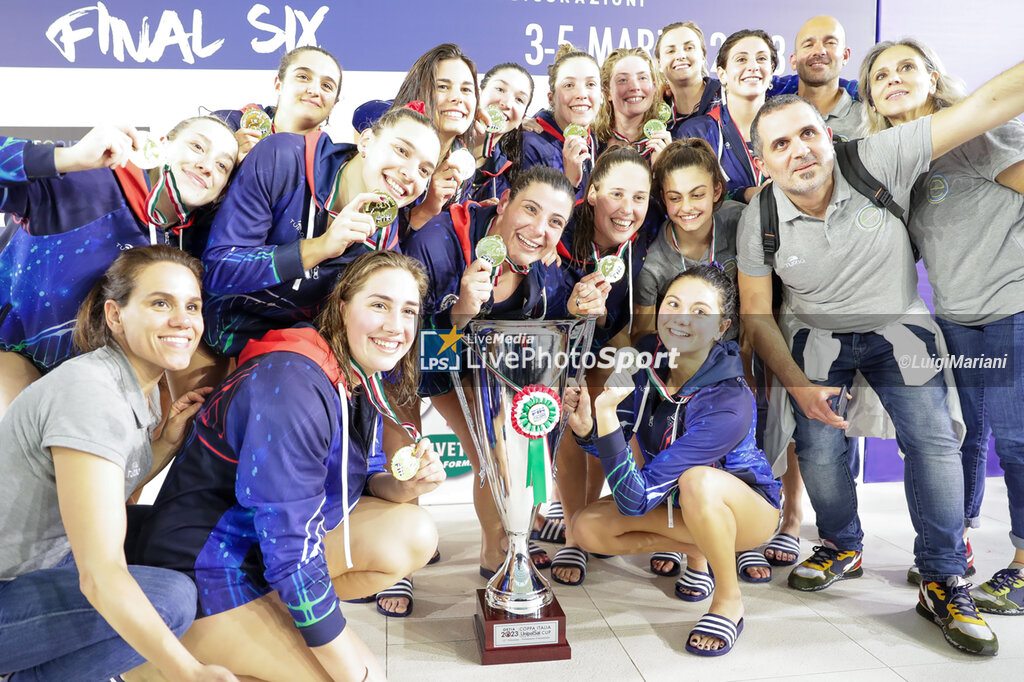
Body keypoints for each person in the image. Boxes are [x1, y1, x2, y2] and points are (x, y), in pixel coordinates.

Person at [737, 51, 1024, 654]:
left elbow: (986, 107)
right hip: (816, 335)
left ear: (831, 134)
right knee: (815, 444)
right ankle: (842, 544)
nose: (801, 152)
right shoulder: (758, 215)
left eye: (810, 134)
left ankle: (943, 578)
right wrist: (796, 385)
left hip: (901, 328)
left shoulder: (873, 157)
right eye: (781, 144)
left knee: (934, 437)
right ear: (763, 161)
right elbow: (757, 317)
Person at [132, 251, 443, 681]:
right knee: (354, 675)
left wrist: (402, 487)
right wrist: (348, 670)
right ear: (341, 307)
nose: (396, 325)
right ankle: (160, 660)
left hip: (254, 556)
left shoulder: (352, 372)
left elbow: (356, 475)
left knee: (412, 531)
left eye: (408, 311)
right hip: (201, 575)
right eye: (379, 305)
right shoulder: (293, 386)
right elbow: (292, 552)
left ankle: (269, 620)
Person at [0, 246, 236, 681]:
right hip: (8, 586)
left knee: (181, 534)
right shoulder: (91, 393)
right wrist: (190, 673)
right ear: (115, 316)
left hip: (44, 564)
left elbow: (102, 493)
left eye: (192, 306)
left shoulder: (129, 383)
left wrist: (164, 442)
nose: (182, 320)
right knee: (170, 598)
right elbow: (99, 576)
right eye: (160, 303)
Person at [862, 38, 1024, 614]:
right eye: (880, 76)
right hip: (956, 316)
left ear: (932, 77)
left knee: (1017, 441)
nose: (894, 79)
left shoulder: (975, 135)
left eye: (906, 67)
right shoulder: (898, 166)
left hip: (1013, 307)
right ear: (873, 101)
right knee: (964, 438)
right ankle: (955, 549)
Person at [565, 266, 781, 656]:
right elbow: (621, 458)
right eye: (673, 304)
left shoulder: (729, 401)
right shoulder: (648, 360)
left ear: (722, 326)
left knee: (698, 480)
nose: (682, 319)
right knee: (586, 528)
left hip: (747, 512)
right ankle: (697, 548)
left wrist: (607, 414)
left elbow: (634, 499)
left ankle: (729, 600)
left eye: (700, 312)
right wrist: (587, 430)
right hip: (674, 502)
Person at [402, 166, 592, 584]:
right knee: (416, 429)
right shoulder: (440, 241)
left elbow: (553, 322)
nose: (540, 229)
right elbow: (409, 342)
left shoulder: (544, 262)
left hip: (486, 363)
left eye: (555, 222)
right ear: (503, 203)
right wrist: (462, 310)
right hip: (417, 354)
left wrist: (579, 307)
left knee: (500, 450)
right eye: (530, 210)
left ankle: (502, 547)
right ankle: (400, 557)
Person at [0, 118, 237, 414]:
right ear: (162, 145)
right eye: (197, 146)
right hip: (14, 359)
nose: (206, 166)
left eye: (222, 166)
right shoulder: (89, 180)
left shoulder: (190, 247)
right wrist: (69, 158)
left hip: (99, 389)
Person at [201, 107, 440, 358]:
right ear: (366, 142)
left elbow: (367, 337)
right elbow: (217, 272)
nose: (411, 174)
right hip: (205, 331)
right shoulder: (283, 158)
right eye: (402, 151)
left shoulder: (384, 244)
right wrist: (320, 247)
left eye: (424, 170)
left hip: (286, 357)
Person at [551, 146, 655, 586]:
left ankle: (598, 521)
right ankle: (575, 529)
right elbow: (540, 308)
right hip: (557, 343)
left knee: (608, 409)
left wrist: (622, 358)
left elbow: (637, 323)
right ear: (591, 193)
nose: (628, 209)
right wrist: (574, 312)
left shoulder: (648, 238)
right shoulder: (561, 231)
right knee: (579, 412)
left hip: (618, 340)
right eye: (616, 194)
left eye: (639, 197)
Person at [675, 29, 777, 203]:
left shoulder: (790, 128)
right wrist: (746, 194)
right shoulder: (696, 133)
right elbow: (688, 197)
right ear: (722, 75)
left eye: (761, 59)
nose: (753, 66)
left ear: (771, 72)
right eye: (741, 59)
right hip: (722, 229)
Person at [391, 44, 479, 230]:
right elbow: (374, 238)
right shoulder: (391, 151)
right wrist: (426, 209)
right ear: (418, 91)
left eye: (466, 90)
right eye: (443, 87)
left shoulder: (462, 164)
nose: (457, 98)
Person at [214, 46, 342, 163]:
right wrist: (226, 160)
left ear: (333, 105)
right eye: (303, 77)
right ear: (279, 84)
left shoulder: (332, 163)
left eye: (326, 86)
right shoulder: (227, 124)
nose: (314, 91)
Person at [521, 43, 601, 201]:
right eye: (569, 85)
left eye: (591, 84)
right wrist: (569, 183)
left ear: (602, 95)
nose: (581, 94)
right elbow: (534, 218)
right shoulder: (530, 144)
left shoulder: (598, 140)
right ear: (551, 98)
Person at [786, 16, 867, 142]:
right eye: (808, 44)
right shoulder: (776, 118)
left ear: (845, 56)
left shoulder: (868, 119)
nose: (819, 51)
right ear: (793, 60)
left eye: (830, 43)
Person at [469, 62, 534, 202]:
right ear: (478, 93)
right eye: (500, 89)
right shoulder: (438, 145)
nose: (507, 103)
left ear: (521, 119)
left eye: (519, 99)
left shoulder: (506, 181)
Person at [592, 48, 672, 163]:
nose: (635, 87)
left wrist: (663, 170)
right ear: (607, 92)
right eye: (623, 80)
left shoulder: (671, 140)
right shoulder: (592, 143)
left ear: (654, 87)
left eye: (643, 78)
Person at [653, 22, 722, 135]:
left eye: (689, 48)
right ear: (660, 63)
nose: (681, 56)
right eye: (670, 51)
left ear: (703, 56)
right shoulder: (654, 114)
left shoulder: (728, 98)